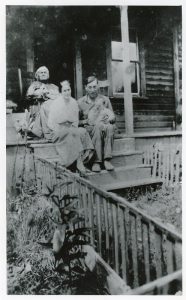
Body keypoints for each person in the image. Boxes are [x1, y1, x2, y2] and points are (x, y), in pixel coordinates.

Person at [47, 80, 94, 172]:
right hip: (57, 131)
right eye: (64, 90)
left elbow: (75, 121)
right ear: (61, 92)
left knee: (82, 131)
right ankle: (78, 162)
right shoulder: (56, 103)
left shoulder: (73, 102)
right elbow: (51, 123)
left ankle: (82, 161)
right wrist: (63, 123)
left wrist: (71, 124)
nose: (67, 92)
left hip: (70, 128)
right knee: (71, 133)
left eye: (68, 90)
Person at [78, 75, 116, 172]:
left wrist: (109, 120)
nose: (92, 90)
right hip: (89, 130)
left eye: (94, 87)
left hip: (104, 127)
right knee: (98, 127)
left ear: (98, 86)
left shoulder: (105, 100)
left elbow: (112, 117)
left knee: (110, 127)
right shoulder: (80, 102)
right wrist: (86, 121)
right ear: (85, 88)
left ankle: (107, 160)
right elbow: (75, 122)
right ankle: (96, 161)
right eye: (90, 87)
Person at [25, 66, 59, 138]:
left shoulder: (54, 86)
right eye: (41, 73)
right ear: (37, 75)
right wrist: (44, 94)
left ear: (48, 75)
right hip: (39, 107)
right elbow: (29, 95)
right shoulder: (34, 85)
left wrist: (49, 95)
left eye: (45, 72)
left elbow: (58, 97)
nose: (43, 74)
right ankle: (48, 133)